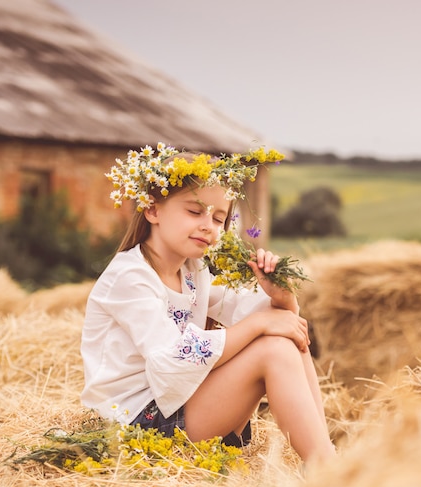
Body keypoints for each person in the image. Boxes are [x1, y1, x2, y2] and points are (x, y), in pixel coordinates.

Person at [80, 143, 335, 463]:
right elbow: (172, 361)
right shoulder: (130, 277)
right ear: (153, 209)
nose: (209, 226)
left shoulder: (192, 270)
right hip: (132, 426)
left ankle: (326, 458)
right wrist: (259, 324)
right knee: (273, 348)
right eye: (194, 211)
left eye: (218, 218)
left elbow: (261, 313)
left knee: (285, 336)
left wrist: (282, 298)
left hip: (175, 404)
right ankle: (326, 469)